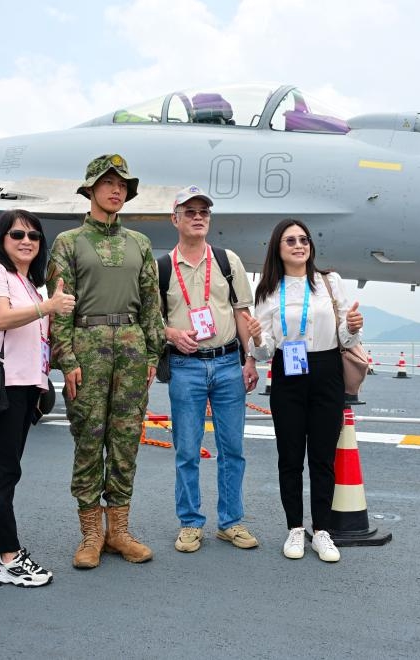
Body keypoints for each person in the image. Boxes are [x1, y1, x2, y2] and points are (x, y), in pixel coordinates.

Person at [46, 154, 164, 569]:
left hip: (132, 346)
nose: (116, 190)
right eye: (108, 183)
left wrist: (152, 352)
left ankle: (119, 531)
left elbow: (152, 303)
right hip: (87, 345)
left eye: (122, 185)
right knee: (88, 440)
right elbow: (61, 308)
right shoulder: (69, 242)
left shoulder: (140, 244)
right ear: (91, 189)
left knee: (127, 440)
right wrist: (67, 358)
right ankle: (91, 535)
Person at [0, 210, 76, 587]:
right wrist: (48, 307)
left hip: (26, 385)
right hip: (4, 386)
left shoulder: (30, 283)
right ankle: (8, 557)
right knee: (4, 471)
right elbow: (2, 318)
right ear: (2, 239)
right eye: (17, 234)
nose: (27, 240)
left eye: (34, 235)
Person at [250, 219, 363, 563]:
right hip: (287, 370)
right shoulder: (269, 291)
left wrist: (353, 327)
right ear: (278, 248)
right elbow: (264, 351)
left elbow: (346, 337)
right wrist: (256, 338)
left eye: (304, 239)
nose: (299, 245)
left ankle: (323, 531)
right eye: (290, 240)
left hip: (327, 369)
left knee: (323, 457)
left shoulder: (330, 282)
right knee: (290, 455)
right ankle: (295, 529)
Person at [161, 185, 259, 553]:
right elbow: (151, 320)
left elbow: (241, 312)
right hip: (186, 366)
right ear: (175, 219)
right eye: (189, 212)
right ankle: (190, 522)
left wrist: (250, 359)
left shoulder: (226, 260)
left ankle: (231, 522)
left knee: (232, 449)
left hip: (228, 364)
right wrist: (171, 333)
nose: (198, 217)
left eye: (204, 211)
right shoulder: (162, 266)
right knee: (187, 449)